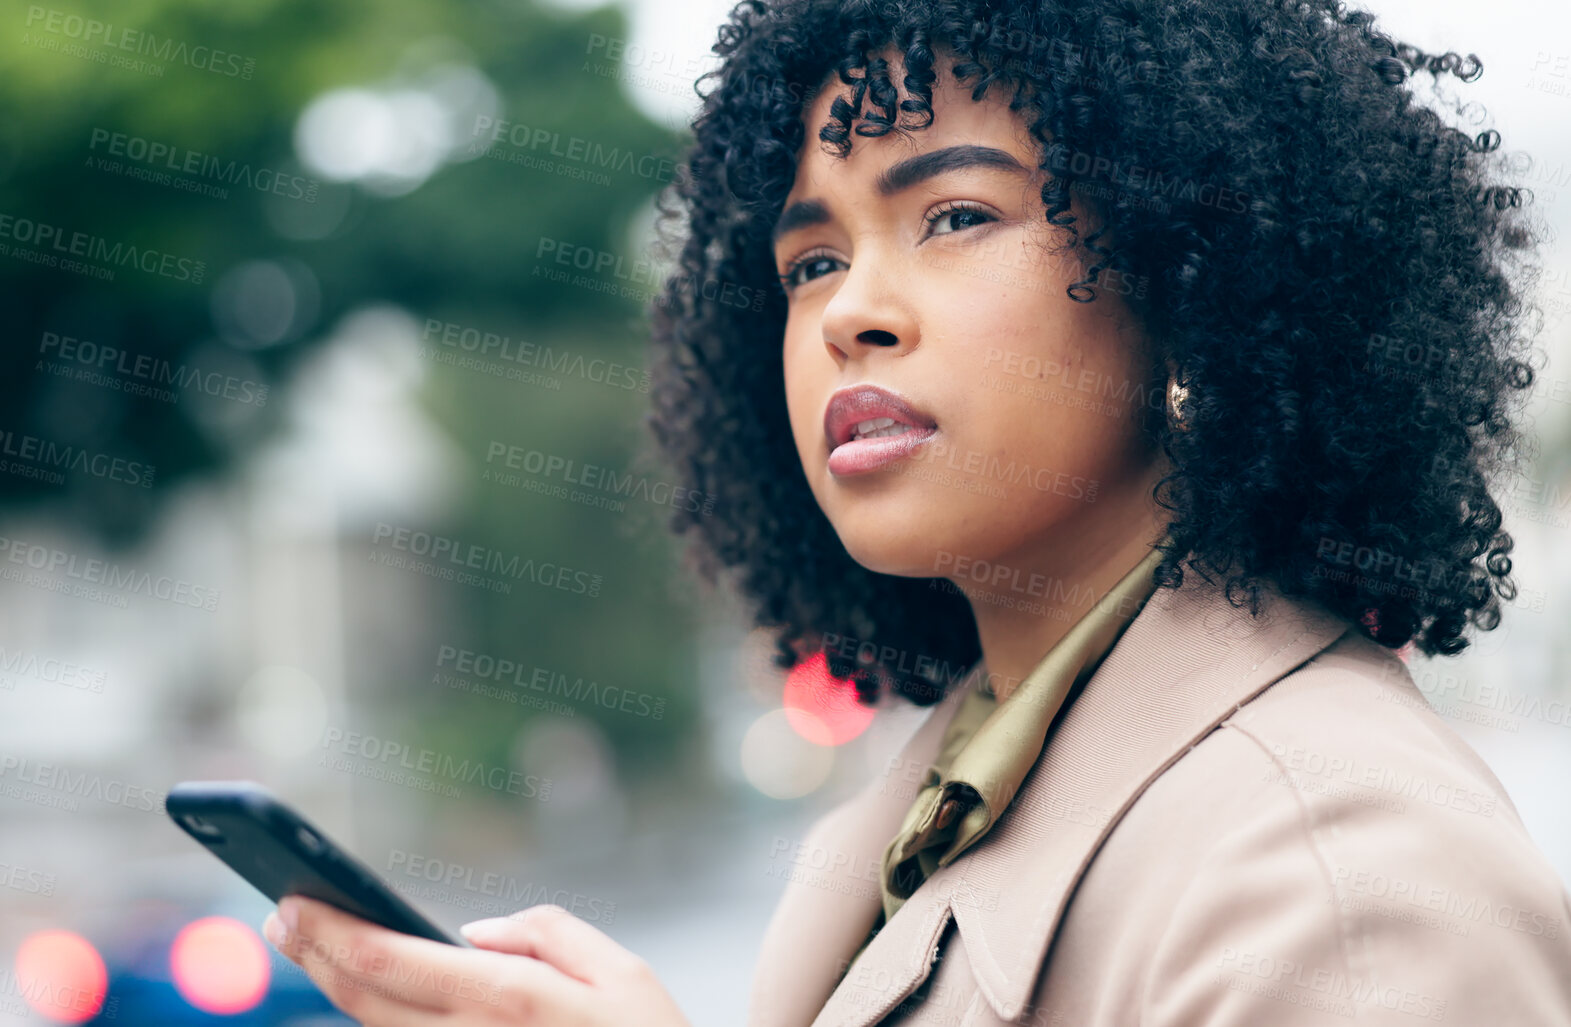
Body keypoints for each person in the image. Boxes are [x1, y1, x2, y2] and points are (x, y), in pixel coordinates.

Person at [263, 0, 1571, 1023]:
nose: (848, 313)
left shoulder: (1346, 879)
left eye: (954, 214)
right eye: (811, 261)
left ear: (1189, 283)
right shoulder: (925, 812)